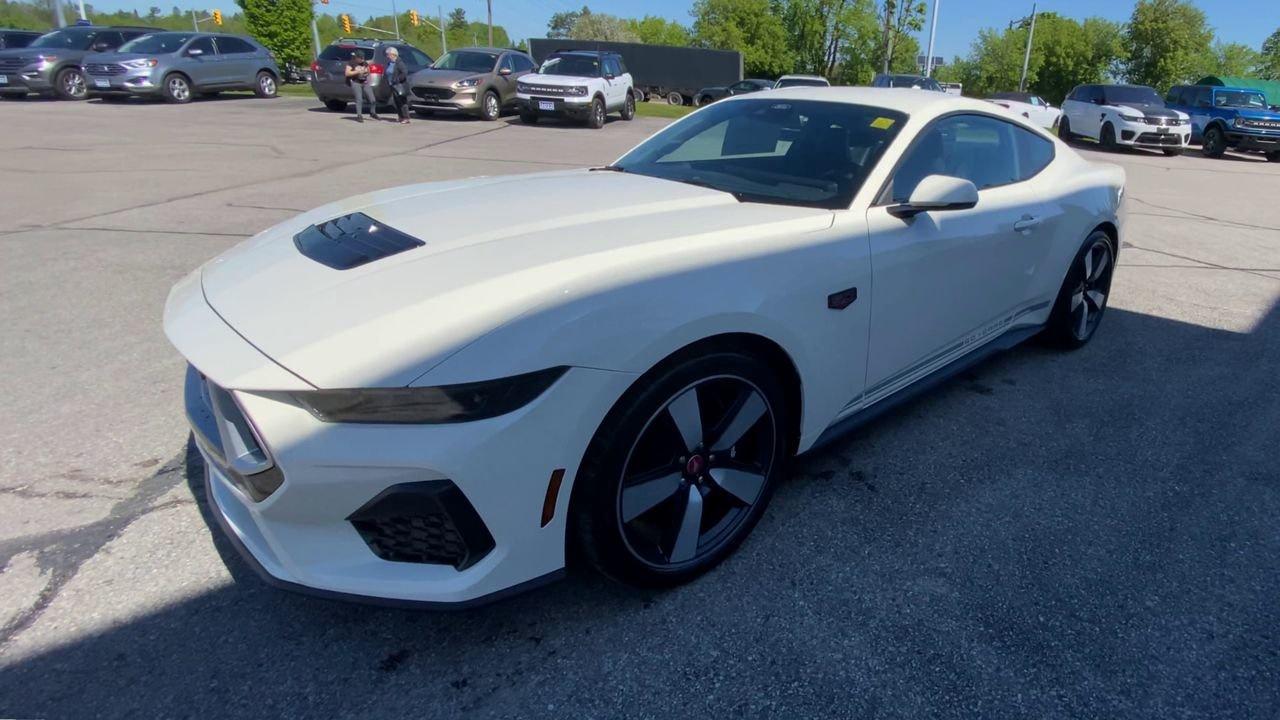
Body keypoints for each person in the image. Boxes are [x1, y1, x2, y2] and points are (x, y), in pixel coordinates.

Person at [344, 50, 378, 122]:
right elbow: (347, 73)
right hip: (356, 82)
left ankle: (372, 112)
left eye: (363, 58)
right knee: (359, 99)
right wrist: (358, 71)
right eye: (361, 58)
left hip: (365, 82)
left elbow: (368, 71)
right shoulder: (351, 63)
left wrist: (366, 72)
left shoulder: (364, 63)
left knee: (372, 99)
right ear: (356, 58)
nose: (362, 60)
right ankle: (359, 115)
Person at [384, 46, 411, 125]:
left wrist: (397, 80)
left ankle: (406, 117)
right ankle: (401, 116)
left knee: (402, 102)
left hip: (400, 85)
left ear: (393, 55)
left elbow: (404, 72)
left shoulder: (399, 63)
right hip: (392, 85)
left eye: (388, 54)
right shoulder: (390, 63)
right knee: (396, 102)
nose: (387, 56)